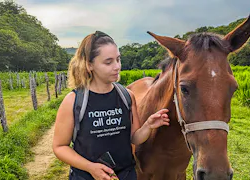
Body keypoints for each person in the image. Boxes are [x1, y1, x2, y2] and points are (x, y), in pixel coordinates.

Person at [52, 31, 170, 180]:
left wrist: (148, 126)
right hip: (87, 176)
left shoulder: (127, 96)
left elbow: (134, 138)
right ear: (89, 65)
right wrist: (90, 167)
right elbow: (59, 147)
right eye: (108, 62)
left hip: (125, 175)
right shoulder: (74, 101)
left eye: (118, 59)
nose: (117, 67)